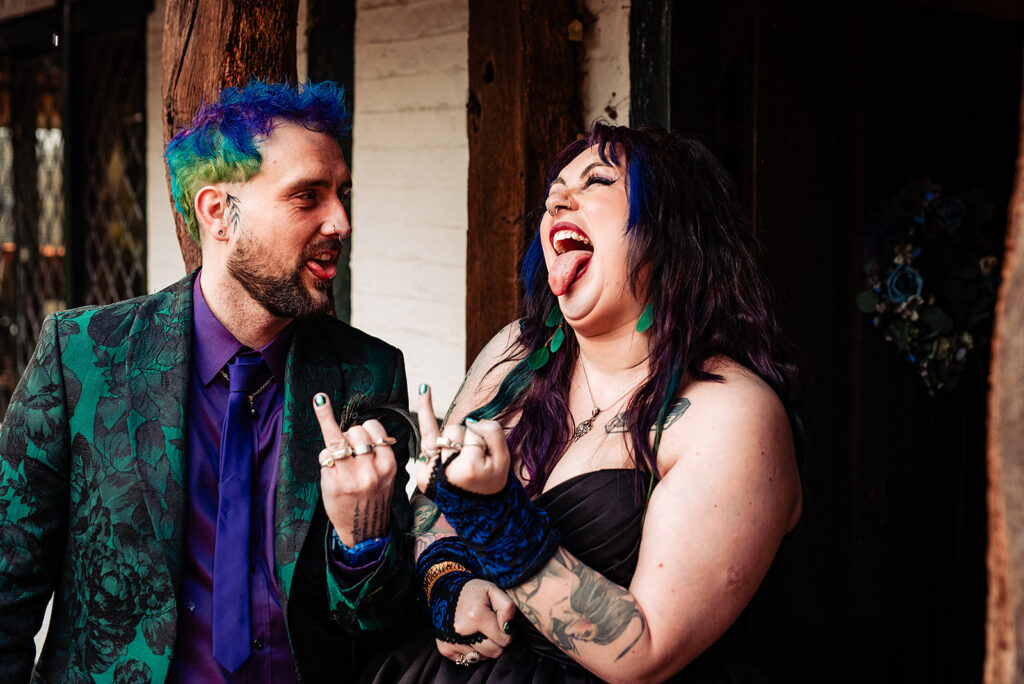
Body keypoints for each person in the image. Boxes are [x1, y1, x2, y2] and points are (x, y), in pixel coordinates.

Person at [0, 81, 414, 683]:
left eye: (342, 195)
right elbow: (6, 584)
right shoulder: (82, 356)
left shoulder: (368, 375)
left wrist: (363, 542)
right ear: (218, 213)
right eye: (308, 197)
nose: (341, 222)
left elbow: (385, 628)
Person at [366, 123, 804, 683]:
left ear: (673, 232)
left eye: (597, 180)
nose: (557, 200)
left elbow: (645, 653)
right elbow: (436, 501)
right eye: (554, 191)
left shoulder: (732, 414)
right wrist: (446, 576)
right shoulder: (513, 352)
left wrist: (501, 525)